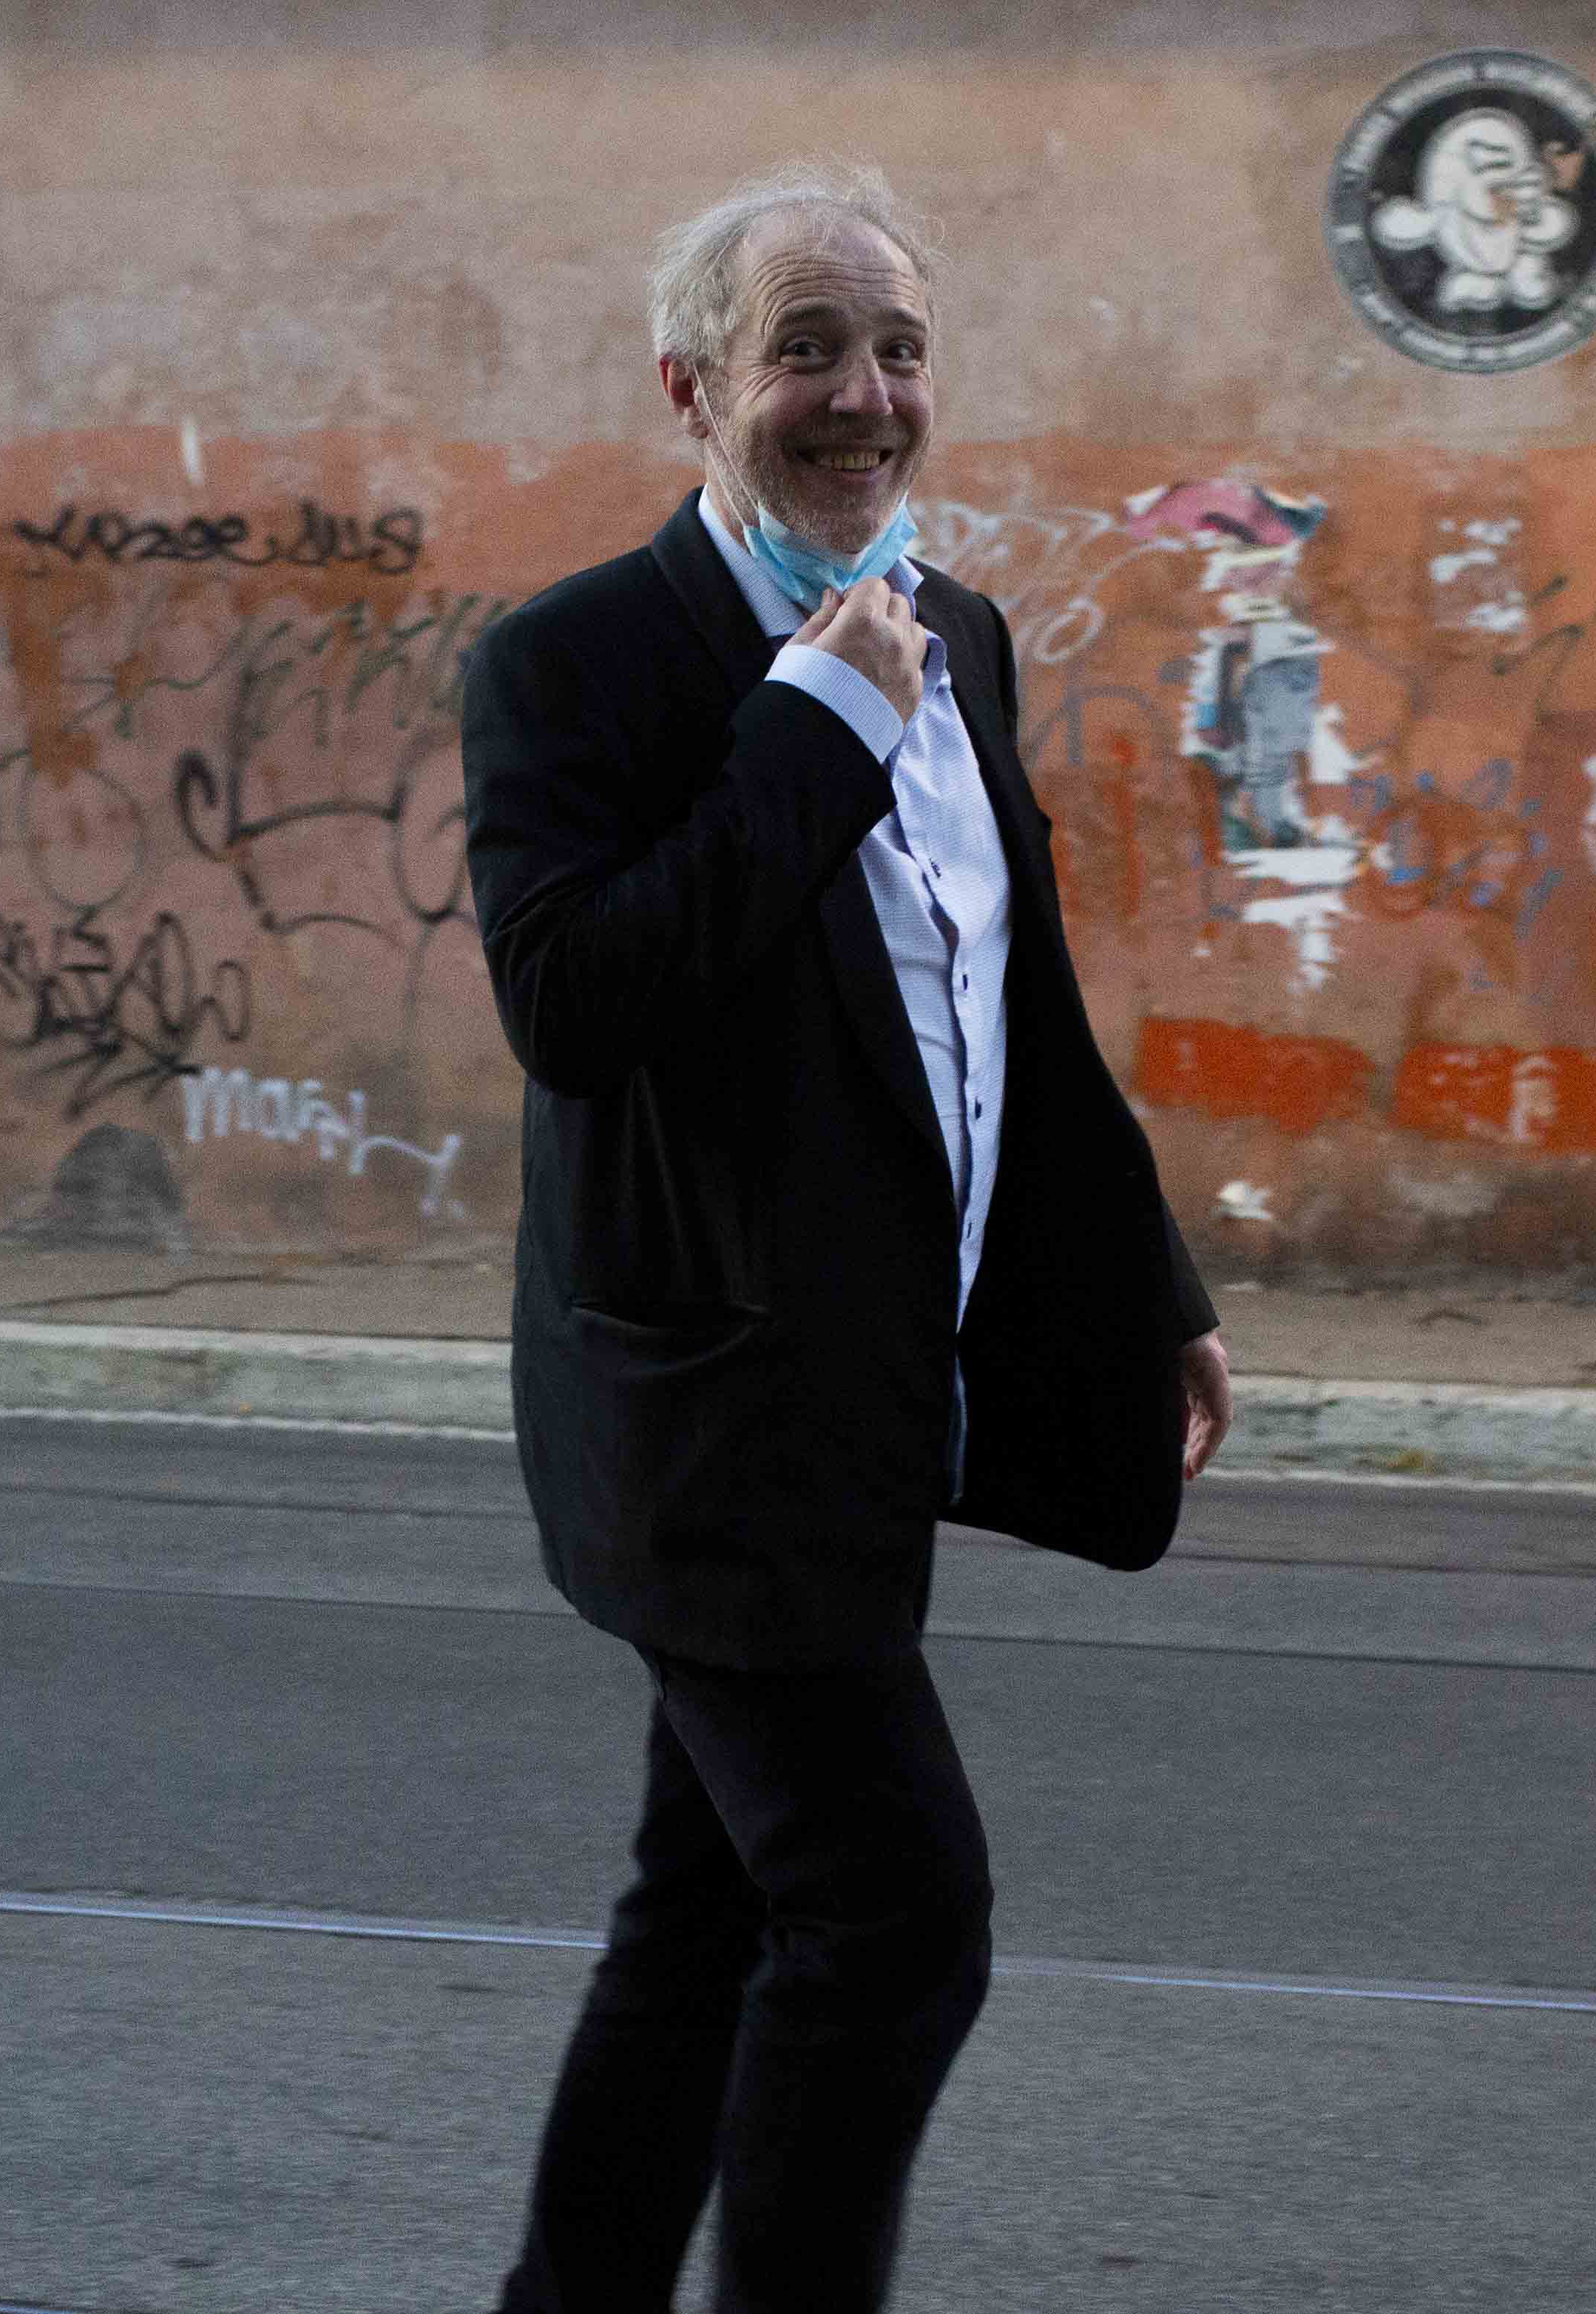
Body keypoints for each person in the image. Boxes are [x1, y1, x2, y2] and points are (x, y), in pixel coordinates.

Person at [460, 162, 1234, 2312]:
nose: (864, 395)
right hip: (714, 1420)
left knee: (705, 1915)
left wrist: (1145, 1279)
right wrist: (814, 725)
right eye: (808, 347)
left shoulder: (956, 626)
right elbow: (579, 1004)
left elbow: (1014, 1000)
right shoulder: (578, 666)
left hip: (881, 1390)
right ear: (692, 386)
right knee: (897, 1922)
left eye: (898, 348)